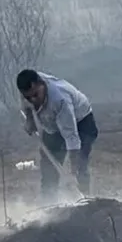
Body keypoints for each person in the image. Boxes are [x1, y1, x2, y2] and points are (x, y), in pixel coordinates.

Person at [16, 69, 99, 203]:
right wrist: (30, 120)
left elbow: (72, 137)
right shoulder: (26, 88)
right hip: (52, 126)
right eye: (28, 97)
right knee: (48, 165)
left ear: (42, 84)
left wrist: (72, 170)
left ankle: (85, 201)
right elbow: (27, 106)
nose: (33, 100)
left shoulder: (60, 100)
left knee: (80, 165)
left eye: (36, 95)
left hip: (81, 121)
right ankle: (49, 202)